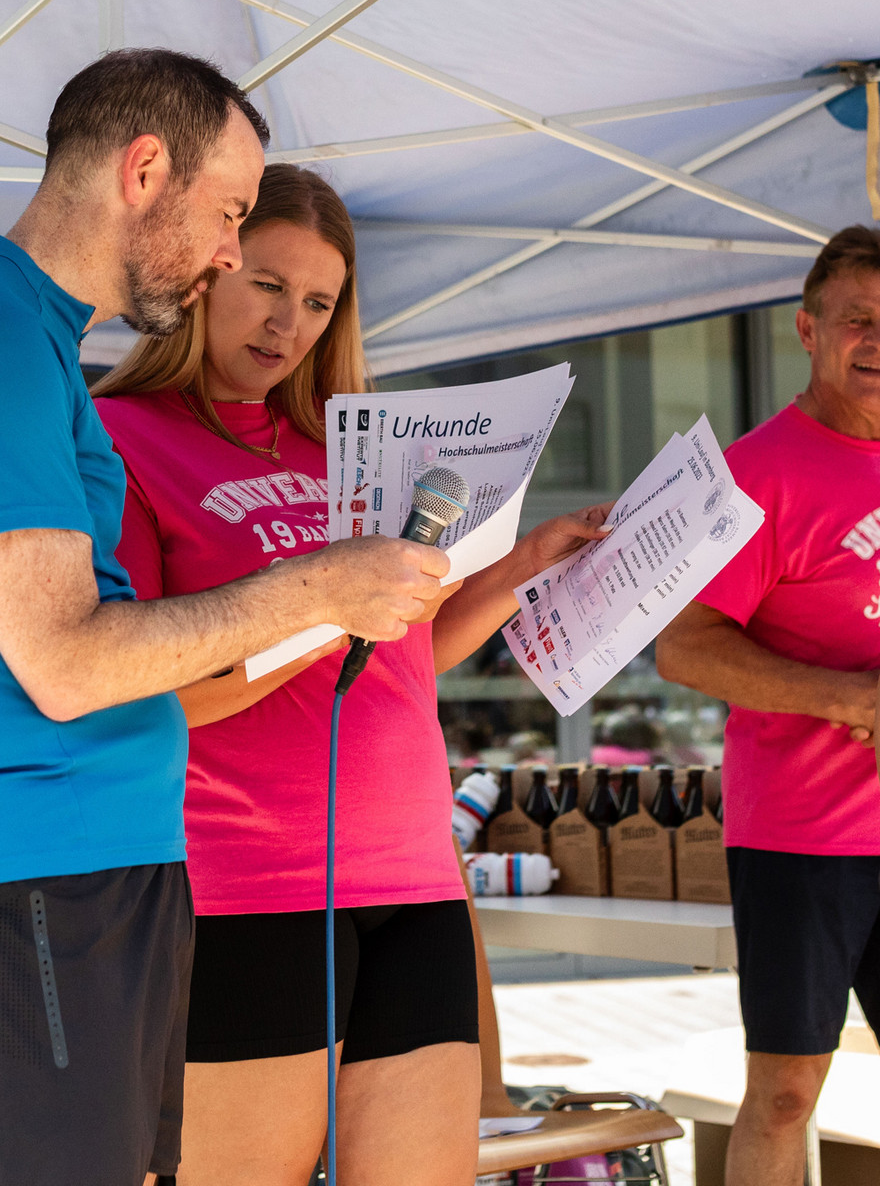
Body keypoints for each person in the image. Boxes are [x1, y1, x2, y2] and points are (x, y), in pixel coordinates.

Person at [93, 162, 613, 1186]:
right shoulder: (121, 442)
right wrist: (320, 606)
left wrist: (517, 569)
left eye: (320, 301)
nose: (291, 323)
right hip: (245, 890)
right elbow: (137, 687)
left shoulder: (353, 447)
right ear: (205, 273)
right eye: (271, 286)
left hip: (413, 881)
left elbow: (397, 657)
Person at [0, 51, 450, 1186]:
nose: (221, 255)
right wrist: (317, 589)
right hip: (54, 874)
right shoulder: (9, 336)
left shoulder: (39, 336)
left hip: (113, 873)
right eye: (229, 217)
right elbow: (59, 659)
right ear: (145, 171)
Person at [656, 225, 880, 1186]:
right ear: (806, 329)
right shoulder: (756, 474)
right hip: (803, 833)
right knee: (789, 1088)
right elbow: (684, 645)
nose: (877, 339)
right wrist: (853, 698)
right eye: (857, 319)